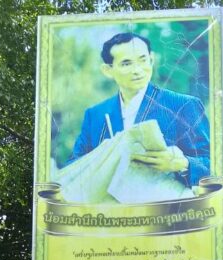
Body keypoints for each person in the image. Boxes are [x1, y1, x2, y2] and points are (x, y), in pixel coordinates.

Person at [70, 31, 211, 188]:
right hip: (107, 210)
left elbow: (213, 164)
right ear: (107, 70)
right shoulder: (95, 115)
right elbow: (75, 166)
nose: (137, 70)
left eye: (143, 60)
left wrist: (183, 164)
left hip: (165, 209)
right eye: (126, 63)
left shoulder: (183, 105)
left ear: (151, 60)